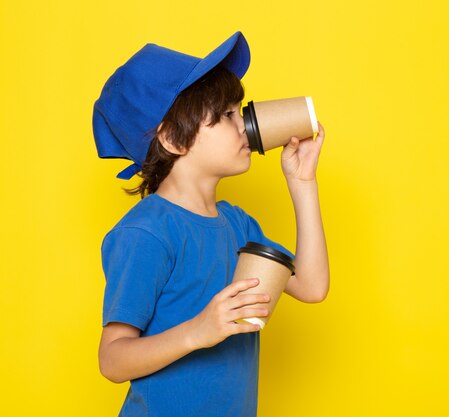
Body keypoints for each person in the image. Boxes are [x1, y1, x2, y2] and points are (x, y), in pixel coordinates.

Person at [92, 31, 329, 417]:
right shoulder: (145, 233)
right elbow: (112, 360)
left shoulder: (237, 224)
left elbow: (313, 286)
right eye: (225, 116)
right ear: (171, 138)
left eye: (240, 112)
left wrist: (303, 184)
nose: (244, 126)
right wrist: (198, 331)